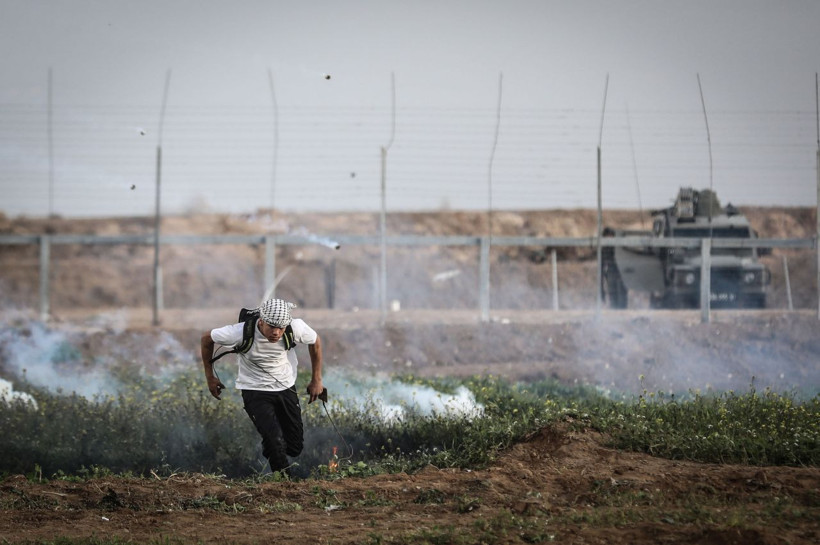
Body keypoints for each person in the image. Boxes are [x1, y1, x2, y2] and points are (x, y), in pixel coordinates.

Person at [200, 298, 324, 475]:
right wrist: (210, 377)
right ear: (261, 321)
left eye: (281, 328)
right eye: (272, 327)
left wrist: (316, 380)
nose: (276, 332)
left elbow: (315, 341)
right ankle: (283, 484)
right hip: (254, 390)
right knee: (276, 441)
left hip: (286, 388)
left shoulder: (294, 327)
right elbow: (206, 339)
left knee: (294, 447)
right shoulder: (239, 332)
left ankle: (273, 446)